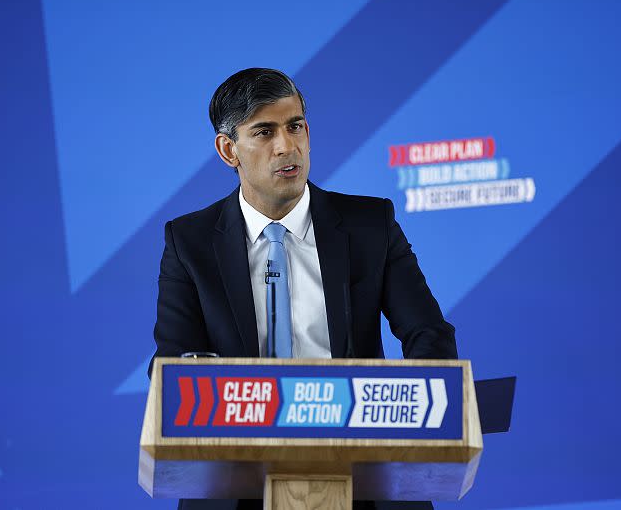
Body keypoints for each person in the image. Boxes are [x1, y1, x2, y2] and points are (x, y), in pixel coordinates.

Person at [150, 68, 456, 510]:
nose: (286, 146)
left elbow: (429, 334)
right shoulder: (189, 242)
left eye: (295, 126)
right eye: (264, 131)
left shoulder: (370, 225)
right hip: (238, 481)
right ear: (228, 150)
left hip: (365, 472)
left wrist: (414, 417)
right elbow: (171, 371)